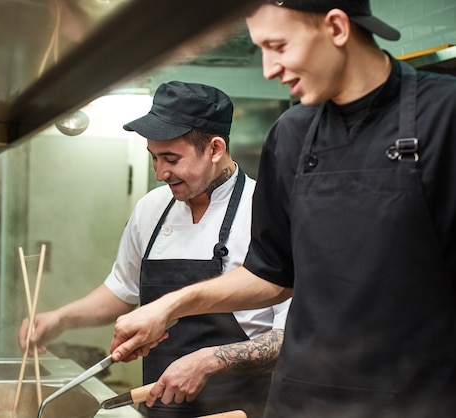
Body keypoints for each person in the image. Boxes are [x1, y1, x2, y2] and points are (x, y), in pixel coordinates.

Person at [109, 1, 456, 418]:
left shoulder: (444, 116)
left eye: (278, 46)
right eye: (261, 50)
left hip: (416, 398)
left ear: (337, 28)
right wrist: (169, 306)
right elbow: (271, 274)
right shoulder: (290, 135)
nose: (269, 69)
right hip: (301, 399)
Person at [18, 80, 291, 418]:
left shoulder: (266, 213)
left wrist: (208, 361)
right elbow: (122, 289)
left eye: (171, 159)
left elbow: (290, 340)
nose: (161, 172)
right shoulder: (152, 208)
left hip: (239, 411)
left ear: (215, 149)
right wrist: (61, 319)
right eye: (153, 158)